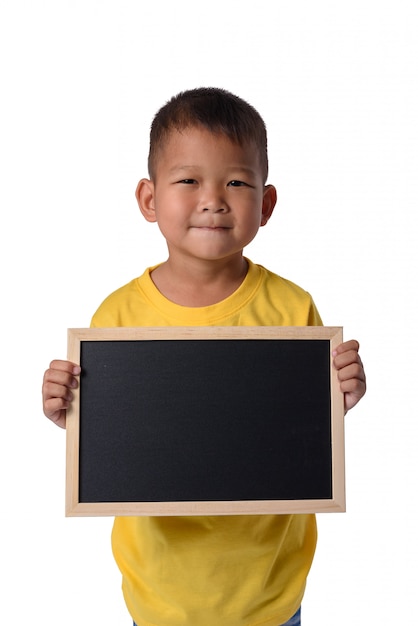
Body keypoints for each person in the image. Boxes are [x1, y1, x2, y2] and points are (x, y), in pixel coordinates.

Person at [42, 87, 366, 626]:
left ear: (265, 204)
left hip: (269, 593)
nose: (213, 198)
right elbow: (115, 441)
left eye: (237, 182)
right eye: (188, 179)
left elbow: (303, 431)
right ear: (149, 199)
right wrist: (71, 415)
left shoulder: (293, 307)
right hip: (160, 598)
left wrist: (340, 398)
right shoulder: (116, 316)